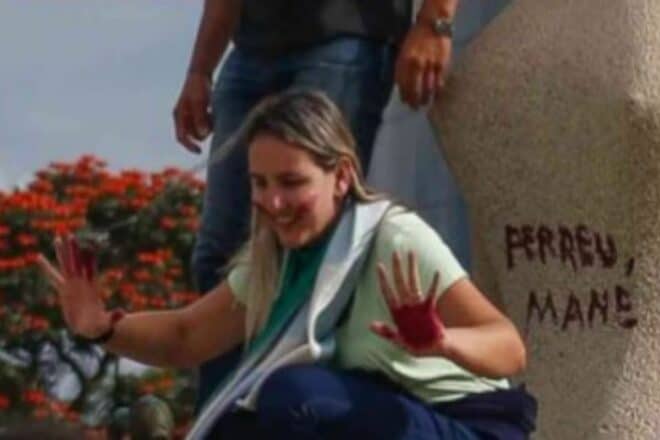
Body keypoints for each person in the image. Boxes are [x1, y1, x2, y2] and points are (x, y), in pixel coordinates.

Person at [40, 91, 535, 439]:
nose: (273, 203)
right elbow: (188, 336)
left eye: (292, 182)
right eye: (260, 183)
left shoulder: (392, 237)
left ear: (342, 177)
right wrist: (102, 327)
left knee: (295, 398)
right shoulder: (277, 258)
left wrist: (443, 342)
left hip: (464, 425)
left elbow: (510, 349)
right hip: (383, 414)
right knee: (235, 428)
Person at [173, 0, 460, 406]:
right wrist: (200, 69)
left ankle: (309, 411)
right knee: (220, 256)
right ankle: (225, 420)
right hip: (252, 47)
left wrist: (434, 22)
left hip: (345, 37)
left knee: (316, 245)